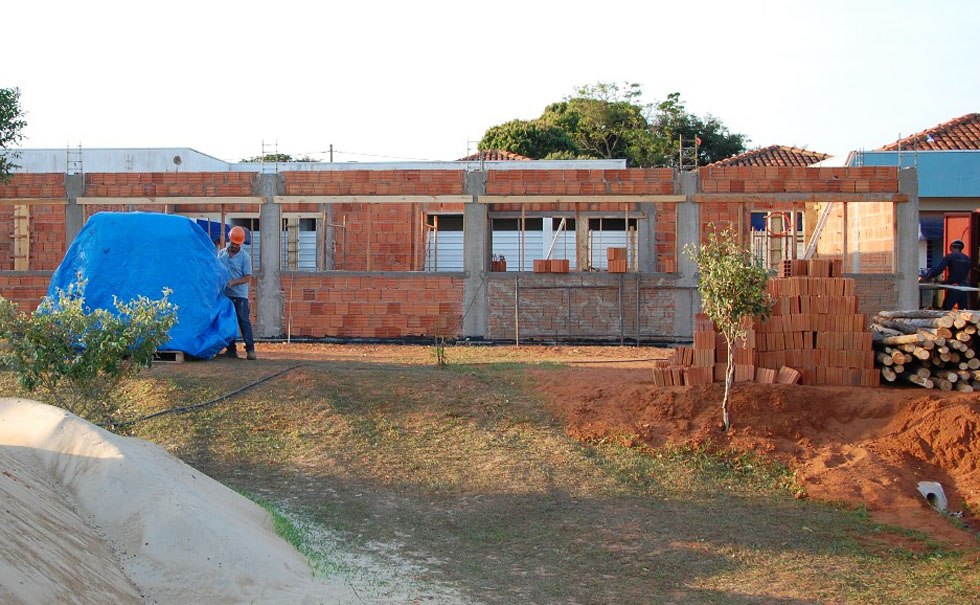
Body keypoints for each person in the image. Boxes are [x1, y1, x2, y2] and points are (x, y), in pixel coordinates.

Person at [218, 226, 256, 359]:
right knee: (228, 321)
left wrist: (234, 282)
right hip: (225, 295)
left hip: (239, 295)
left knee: (243, 321)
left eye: (237, 244)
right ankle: (231, 350)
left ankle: (250, 349)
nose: (234, 246)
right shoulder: (222, 254)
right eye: (233, 243)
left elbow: (248, 277)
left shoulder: (245, 257)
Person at [922, 239, 973, 310]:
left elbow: (938, 270)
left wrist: (928, 277)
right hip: (965, 288)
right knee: (963, 312)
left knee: (946, 310)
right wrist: (945, 282)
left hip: (954, 287)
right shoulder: (967, 259)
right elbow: (961, 274)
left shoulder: (950, 257)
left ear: (952, 247)